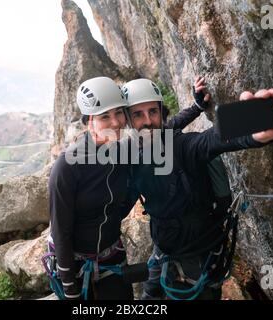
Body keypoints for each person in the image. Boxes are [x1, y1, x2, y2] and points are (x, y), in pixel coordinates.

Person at [122, 79, 273, 300]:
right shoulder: (136, 149)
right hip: (162, 245)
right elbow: (176, 122)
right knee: (150, 294)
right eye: (137, 114)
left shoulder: (181, 147)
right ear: (127, 120)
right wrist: (197, 107)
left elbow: (210, 140)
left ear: (160, 113)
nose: (148, 121)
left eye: (153, 111)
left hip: (195, 254)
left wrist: (254, 132)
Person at [46, 76, 206, 300]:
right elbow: (60, 231)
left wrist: (196, 107)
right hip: (76, 264)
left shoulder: (124, 150)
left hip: (112, 256)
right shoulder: (67, 166)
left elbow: (159, 130)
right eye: (104, 117)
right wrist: (70, 288)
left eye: (119, 113)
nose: (115, 123)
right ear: (89, 121)